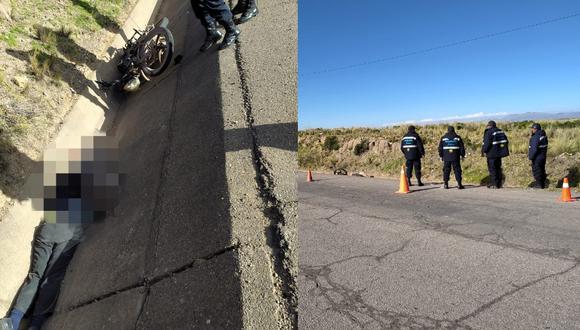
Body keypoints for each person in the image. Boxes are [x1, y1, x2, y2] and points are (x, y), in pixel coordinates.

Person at [1, 138, 119, 330]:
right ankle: (35, 324)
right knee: (52, 277)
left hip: (49, 229)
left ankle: (13, 320)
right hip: (69, 235)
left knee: (36, 274)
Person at [482, 120, 509, 189]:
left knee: (492, 169)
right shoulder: (500, 131)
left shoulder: (489, 132)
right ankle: (499, 183)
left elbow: (487, 144)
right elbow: (506, 141)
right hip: (499, 154)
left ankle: (494, 184)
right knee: (498, 168)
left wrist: (484, 151)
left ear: (489, 126)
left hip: (491, 154)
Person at [528, 123, 549, 189]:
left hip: (537, 157)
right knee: (542, 170)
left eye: (532, 128)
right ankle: (542, 184)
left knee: (537, 171)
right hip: (543, 156)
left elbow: (534, 149)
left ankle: (539, 185)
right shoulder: (543, 136)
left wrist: (531, 158)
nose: (532, 130)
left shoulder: (535, 137)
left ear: (535, 129)